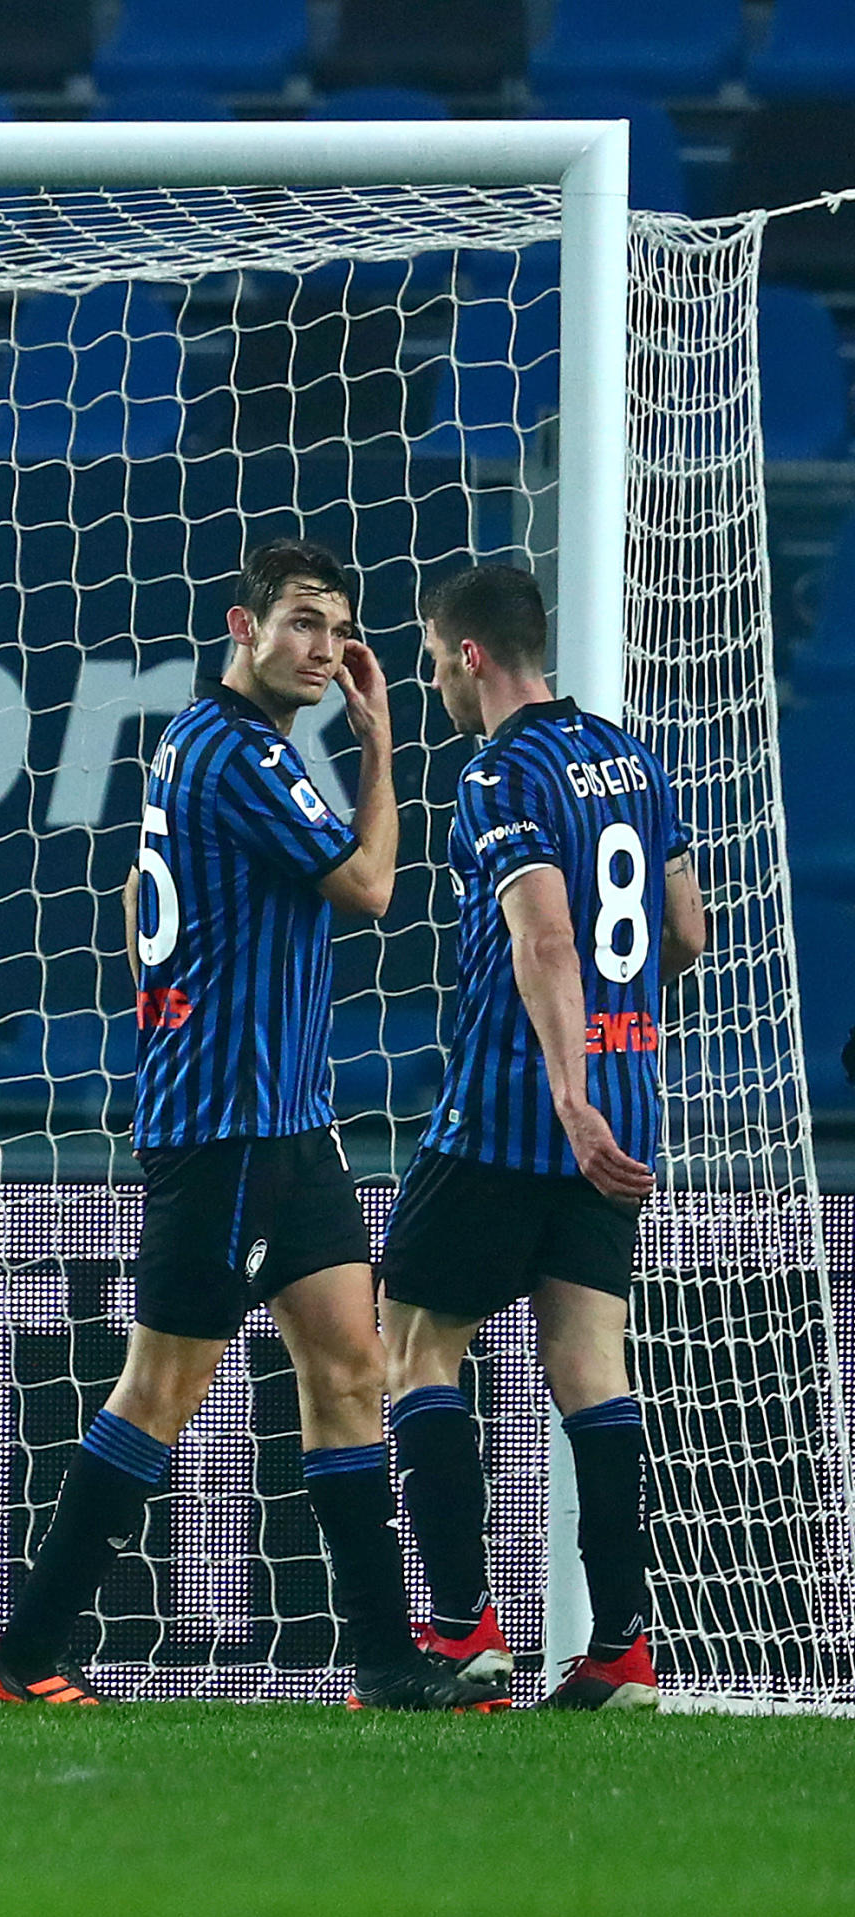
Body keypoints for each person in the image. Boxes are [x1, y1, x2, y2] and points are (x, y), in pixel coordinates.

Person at [0, 536, 505, 1711]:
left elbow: (131, 895)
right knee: (158, 1387)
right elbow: (369, 889)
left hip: (285, 1122)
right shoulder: (242, 753)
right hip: (229, 1129)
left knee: (351, 1367)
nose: (325, 647)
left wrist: (173, 1008)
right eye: (304, 622)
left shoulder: (204, 743)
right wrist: (381, 748)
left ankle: (380, 1662)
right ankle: (23, 1652)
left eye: (339, 627)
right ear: (242, 627)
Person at [379, 561, 704, 1711]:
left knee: (413, 1347)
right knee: (591, 1369)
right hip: (629, 1108)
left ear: (471, 654)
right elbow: (687, 931)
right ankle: (621, 1648)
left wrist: (565, 1089)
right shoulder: (632, 754)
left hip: (517, 1111)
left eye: (431, 656)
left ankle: (466, 1633)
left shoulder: (497, 772)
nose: (431, 680)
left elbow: (548, 940)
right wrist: (610, 1054)